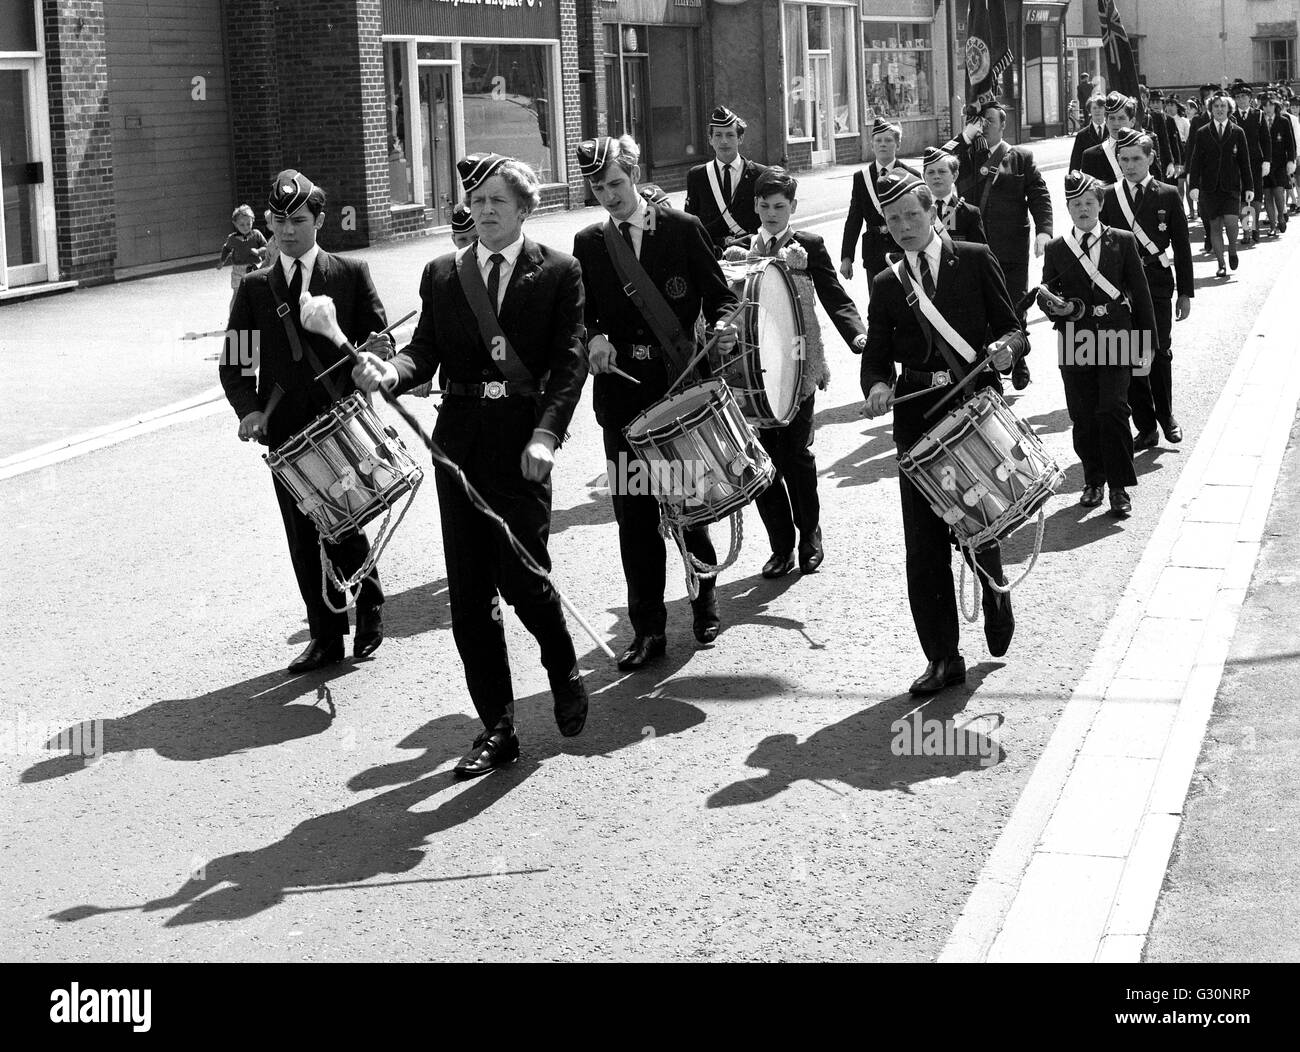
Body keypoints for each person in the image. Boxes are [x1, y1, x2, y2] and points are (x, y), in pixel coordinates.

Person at [350, 153, 592, 777]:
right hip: (456, 445)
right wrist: (391, 373)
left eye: (497, 203)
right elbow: (422, 354)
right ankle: (498, 728)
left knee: (523, 578)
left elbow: (568, 367)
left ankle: (561, 660)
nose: (484, 212)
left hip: (522, 443)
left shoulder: (560, 272)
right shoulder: (442, 273)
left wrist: (546, 434)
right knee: (469, 596)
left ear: (523, 209)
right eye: (477, 202)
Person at [573, 135, 739, 671]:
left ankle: (705, 599)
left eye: (616, 183)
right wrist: (592, 336)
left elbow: (723, 299)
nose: (609, 195)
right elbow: (583, 314)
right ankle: (647, 629)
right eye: (598, 187)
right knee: (635, 516)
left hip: (677, 387)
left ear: (635, 174)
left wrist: (723, 328)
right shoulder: (590, 242)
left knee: (691, 506)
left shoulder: (683, 229)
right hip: (621, 398)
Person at [860, 171, 1025, 696]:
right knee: (924, 545)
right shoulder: (888, 285)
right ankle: (942, 658)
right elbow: (875, 356)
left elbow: (1011, 326)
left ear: (933, 212)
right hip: (916, 419)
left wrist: (1008, 348)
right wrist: (879, 385)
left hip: (972, 406)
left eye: (913, 215)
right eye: (894, 220)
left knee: (978, 520)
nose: (905, 226)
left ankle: (995, 591)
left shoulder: (974, 258)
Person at [219, 170, 392, 674]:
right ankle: (325, 636)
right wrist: (248, 409)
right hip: (287, 428)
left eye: (297, 220)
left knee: (345, 518)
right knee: (302, 531)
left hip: (343, 420)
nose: (287, 231)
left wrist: (369, 360)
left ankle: (370, 604)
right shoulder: (255, 288)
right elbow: (235, 362)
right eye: (278, 220)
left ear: (318, 219)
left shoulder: (350, 272)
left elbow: (382, 342)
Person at [733, 166, 867, 579]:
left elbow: (834, 296)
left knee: (794, 455)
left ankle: (809, 533)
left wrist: (858, 335)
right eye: (765, 206)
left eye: (780, 207)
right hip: (753, 373)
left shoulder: (807, 246)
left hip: (799, 368)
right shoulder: (740, 249)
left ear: (792, 207)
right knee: (761, 461)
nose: (772, 214)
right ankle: (780, 547)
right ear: (755, 205)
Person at [1040, 172, 1156, 518]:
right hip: (1076, 339)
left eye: (1089, 203)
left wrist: (1147, 341)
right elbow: (1049, 293)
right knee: (1083, 416)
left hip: (1117, 336)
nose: (1083, 210)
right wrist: (1056, 307)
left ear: (1100, 205)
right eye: (1076, 205)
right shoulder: (1057, 248)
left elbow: (1141, 292)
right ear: (1068, 209)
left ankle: (1119, 487)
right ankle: (1093, 480)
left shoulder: (1122, 240)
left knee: (1114, 410)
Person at [944, 100, 1052, 391]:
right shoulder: (966, 155)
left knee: (1015, 307)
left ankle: (1018, 358)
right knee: (979, 312)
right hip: (976, 251)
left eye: (990, 121)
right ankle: (989, 372)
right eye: (980, 121)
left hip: (1011, 249)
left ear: (1003, 124)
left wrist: (1044, 231)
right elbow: (937, 162)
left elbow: (1039, 195)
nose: (984, 126)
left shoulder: (1020, 157)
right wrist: (966, 135)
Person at [1100, 130, 1194, 451]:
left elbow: (1181, 246)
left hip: (1156, 284)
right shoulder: (1110, 196)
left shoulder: (1167, 194)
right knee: (1133, 356)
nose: (1129, 165)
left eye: (1136, 158)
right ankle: (1146, 426)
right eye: (1123, 159)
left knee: (1160, 351)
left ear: (1151, 158)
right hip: (1123, 290)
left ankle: (1167, 417)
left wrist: (1185, 292)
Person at [840, 117, 922, 290]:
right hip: (874, 252)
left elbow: (920, 216)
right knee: (878, 304)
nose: (883, 144)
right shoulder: (861, 177)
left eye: (888, 140)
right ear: (872, 145)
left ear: (897, 145)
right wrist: (847, 257)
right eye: (878, 140)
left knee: (908, 300)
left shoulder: (911, 174)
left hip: (904, 246)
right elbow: (854, 219)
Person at [1187, 90, 1254, 277]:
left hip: (1231, 185)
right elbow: (1196, 161)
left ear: (1229, 108)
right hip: (1209, 187)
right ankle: (1221, 263)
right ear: (1211, 109)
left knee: (1232, 223)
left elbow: (1244, 161)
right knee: (1215, 227)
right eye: (1215, 106)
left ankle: (1232, 249)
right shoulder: (1202, 132)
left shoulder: (1238, 132)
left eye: (1223, 106)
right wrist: (1194, 186)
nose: (1219, 109)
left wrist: (1249, 187)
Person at [684, 106, 767, 253]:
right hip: (712, 252)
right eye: (718, 135)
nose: (723, 141)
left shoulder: (759, 174)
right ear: (710, 139)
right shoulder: (697, 175)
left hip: (750, 251)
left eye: (730, 135)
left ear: (740, 138)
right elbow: (691, 223)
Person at [1081, 92, 1165, 184]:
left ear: (1132, 121)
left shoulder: (1146, 148)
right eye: (1112, 118)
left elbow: (1157, 186)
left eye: (1121, 118)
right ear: (1106, 121)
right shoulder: (1090, 156)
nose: (1116, 123)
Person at [921, 146, 986, 244]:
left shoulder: (970, 213)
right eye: (931, 172)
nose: (936, 176)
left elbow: (979, 253)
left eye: (942, 172)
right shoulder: (917, 211)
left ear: (954, 176)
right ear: (923, 176)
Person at [1231, 80, 1267, 243]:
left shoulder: (1258, 115)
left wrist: (1267, 160)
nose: (1241, 100)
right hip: (1237, 163)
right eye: (1237, 97)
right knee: (1242, 197)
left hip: (1255, 162)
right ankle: (1246, 230)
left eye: (1244, 96)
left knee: (1256, 197)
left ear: (1250, 98)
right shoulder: (1232, 117)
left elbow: (1266, 140)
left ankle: (1255, 228)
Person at [1259, 91, 1296, 236]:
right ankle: (1272, 225)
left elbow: (1290, 143)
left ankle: (1281, 215)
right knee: (1267, 194)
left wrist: (1291, 160)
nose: (1268, 108)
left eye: (1270, 105)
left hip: (1280, 163)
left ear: (1276, 105)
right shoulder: (1260, 120)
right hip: (1264, 163)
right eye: (1265, 105)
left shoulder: (1283, 121)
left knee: (1279, 191)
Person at [217, 204, 268, 310]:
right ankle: (233, 317)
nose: (245, 227)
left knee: (256, 293)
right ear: (235, 224)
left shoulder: (256, 235)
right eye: (242, 225)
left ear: (253, 221)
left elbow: (266, 247)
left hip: (254, 267)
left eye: (248, 224)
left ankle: (256, 316)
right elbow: (226, 249)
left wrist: (258, 251)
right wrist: (222, 261)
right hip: (238, 269)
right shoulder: (233, 238)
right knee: (237, 293)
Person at [1069, 94, 1109, 172]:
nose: (1097, 110)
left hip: (1110, 178)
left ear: (1105, 110)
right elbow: (1075, 162)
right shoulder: (1082, 135)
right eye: (1094, 108)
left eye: (1100, 107)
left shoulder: (1113, 131)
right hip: (1090, 178)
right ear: (1089, 110)